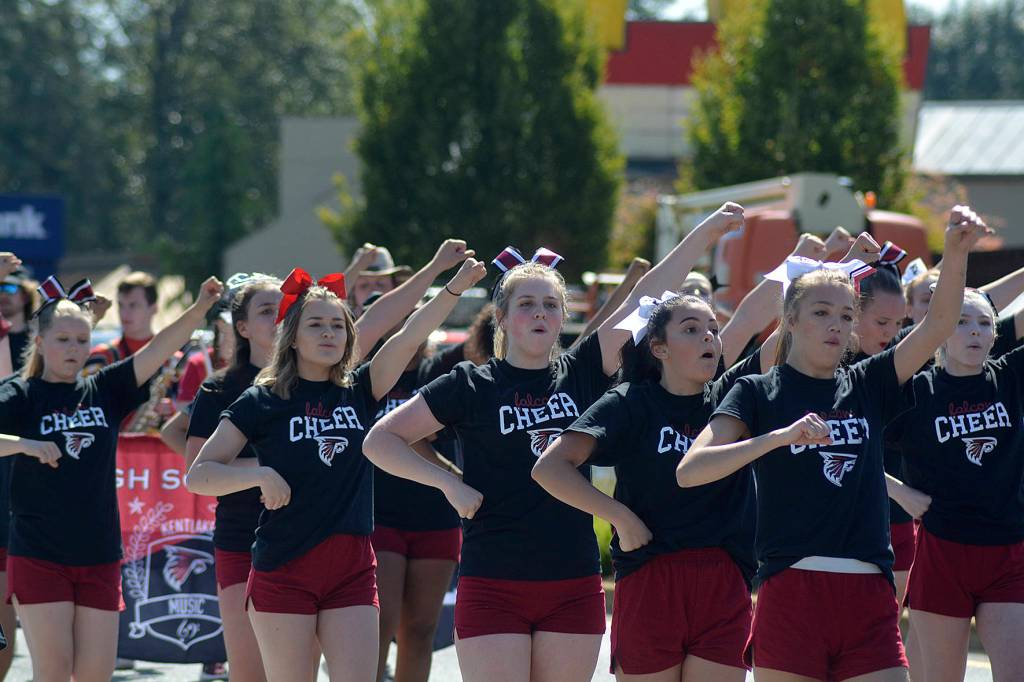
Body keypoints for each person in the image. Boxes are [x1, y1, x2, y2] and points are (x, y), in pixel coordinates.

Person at [364, 203, 746, 682]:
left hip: (572, 580)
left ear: (563, 315)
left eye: (550, 304)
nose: (539, 313)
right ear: (501, 317)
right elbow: (381, 441)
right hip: (492, 578)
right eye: (526, 304)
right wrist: (447, 483)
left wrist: (705, 232)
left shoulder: (583, 370)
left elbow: (650, 296)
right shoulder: (470, 384)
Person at [676, 205, 990, 682]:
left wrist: (955, 250)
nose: (835, 325)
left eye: (846, 315)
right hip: (791, 588)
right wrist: (778, 438)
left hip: (869, 594)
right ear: (792, 321)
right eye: (821, 313)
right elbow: (691, 469)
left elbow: (937, 326)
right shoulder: (759, 391)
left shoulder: (868, 382)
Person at [186, 257, 486, 682]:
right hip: (284, 567)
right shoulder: (261, 400)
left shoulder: (360, 390)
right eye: (315, 325)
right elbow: (199, 474)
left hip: (352, 570)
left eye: (337, 325)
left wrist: (451, 287)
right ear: (291, 337)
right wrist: (258, 475)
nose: (328, 332)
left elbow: (406, 337)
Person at [531, 291, 773, 682]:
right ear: (658, 348)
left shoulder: (734, 397)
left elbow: (788, 327)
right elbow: (550, 467)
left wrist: (840, 266)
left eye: (713, 329)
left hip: (723, 578)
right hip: (650, 575)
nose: (709, 337)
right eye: (691, 329)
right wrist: (620, 519)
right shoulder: (629, 402)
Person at [0, 274, 223, 682]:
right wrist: (25, 445)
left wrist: (201, 307)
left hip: (100, 554)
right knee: (52, 672)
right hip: (39, 554)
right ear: (40, 341)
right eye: (63, 339)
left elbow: (160, 349)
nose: (73, 349)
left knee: (95, 675)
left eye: (82, 340)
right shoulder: (22, 394)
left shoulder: (104, 388)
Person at [885, 288, 1024, 682]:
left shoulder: (1011, 376)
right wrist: (899, 491)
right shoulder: (917, 391)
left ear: (995, 335)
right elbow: (849, 439)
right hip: (943, 554)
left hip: (1009, 553)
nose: (974, 331)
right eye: (961, 322)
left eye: (984, 323)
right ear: (940, 331)